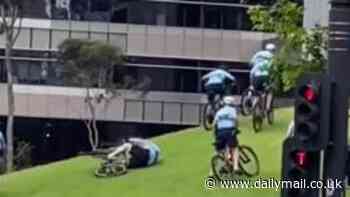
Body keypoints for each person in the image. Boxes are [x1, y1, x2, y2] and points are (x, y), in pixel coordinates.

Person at [213, 96, 240, 172]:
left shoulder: (219, 111)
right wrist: (236, 128)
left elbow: (214, 124)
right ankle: (236, 167)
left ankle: (212, 172)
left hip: (220, 132)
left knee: (220, 150)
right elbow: (235, 120)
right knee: (235, 148)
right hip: (229, 130)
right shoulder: (232, 110)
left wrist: (215, 134)